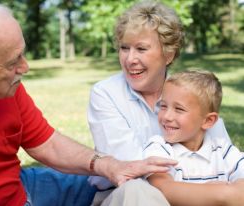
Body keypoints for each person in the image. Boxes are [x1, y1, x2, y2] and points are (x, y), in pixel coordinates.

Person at [0, 0, 177, 205]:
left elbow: (47, 144)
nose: (25, 67)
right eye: (12, 62)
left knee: (119, 187)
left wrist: (109, 165)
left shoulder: (6, 86)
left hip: (21, 184)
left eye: (22, 54)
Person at [88, 1, 231, 205]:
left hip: (197, 193)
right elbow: (132, 169)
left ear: (168, 54)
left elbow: (224, 155)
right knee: (136, 189)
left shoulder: (191, 94)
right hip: (125, 195)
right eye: (124, 48)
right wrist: (221, 193)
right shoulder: (106, 93)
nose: (130, 59)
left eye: (141, 49)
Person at [143, 70, 244, 205]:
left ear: (208, 121)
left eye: (179, 109)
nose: (166, 116)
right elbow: (162, 189)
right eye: (163, 106)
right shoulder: (159, 148)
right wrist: (220, 193)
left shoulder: (223, 151)